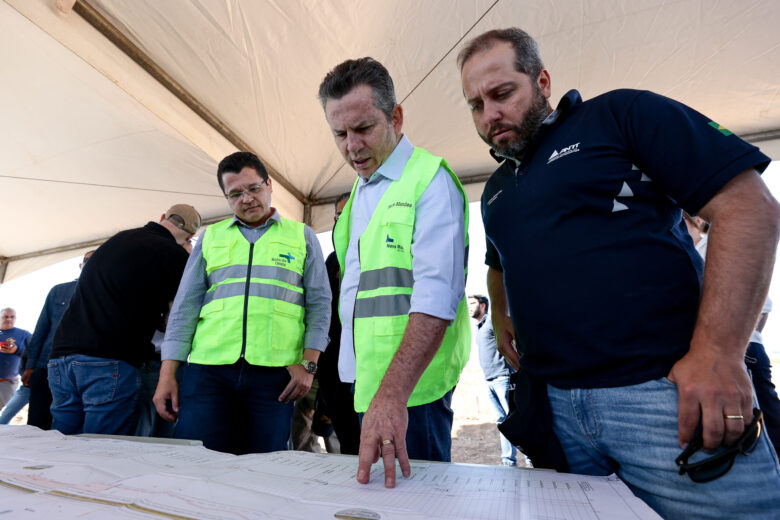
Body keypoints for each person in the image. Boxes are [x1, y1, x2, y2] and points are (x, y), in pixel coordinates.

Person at [458, 27, 780, 518]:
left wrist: (718, 353)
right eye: (476, 105)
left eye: (502, 94)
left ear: (542, 81)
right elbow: (497, 262)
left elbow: (748, 207)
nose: (490, 114)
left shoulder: (618, 114)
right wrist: (499, 313)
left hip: (661, 398)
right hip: (555, 411)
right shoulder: (498, 189)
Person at [318, 57, 471, 487]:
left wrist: (392, 395)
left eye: (364, 128)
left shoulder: (429, 181)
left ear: (396, 117)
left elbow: (436, 296)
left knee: (416, 504)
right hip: (366, 382)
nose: (351, 146)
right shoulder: (360, 192)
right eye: (340, 134)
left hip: (410, 392)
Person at [154, 152, 331, 455]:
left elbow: (320, 304)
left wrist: (309, 365)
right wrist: (167, 373)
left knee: (264, 468)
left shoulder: (301, 236)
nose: (246, 199)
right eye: (235, 193)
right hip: (207, 373)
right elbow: (185, 308)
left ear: (269, 184)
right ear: (226, 197)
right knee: (194, 461)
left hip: (275, 375)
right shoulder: (211, 237)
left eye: (253, 188)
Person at [48, 205, 199, 435]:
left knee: (61, 445)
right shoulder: (175, 256)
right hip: (108, 360)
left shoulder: (117, 240)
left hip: (61, 358)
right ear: (190, 236)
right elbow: (177, 317)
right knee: (99, 452)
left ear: (161, 217)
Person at [19, 250, 94, 430]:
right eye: (87, 260)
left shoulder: (110, 293)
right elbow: (41, 329)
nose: (90, 264)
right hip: (46, 366)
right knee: (37, 425)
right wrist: (30, 366)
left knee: (73, 428)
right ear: (80, 265)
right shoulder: (59, 290)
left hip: (86, 371)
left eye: (97, 260)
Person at [316, 192, 362, 455]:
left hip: (368, 365)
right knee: (347, 443)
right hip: (333, 367)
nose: (347, 221)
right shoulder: (332, 259)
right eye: (341, 216)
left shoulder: (382, 253)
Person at [468, 294, 517, 466]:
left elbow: (510, 340)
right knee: (502, 421)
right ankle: (508, 461)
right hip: (489, 380)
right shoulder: (479, 327)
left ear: (483, 306)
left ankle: (530, 459)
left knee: (514, 421)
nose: (469, 306)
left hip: (503, 378)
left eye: (473, 303)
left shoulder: (491, 322)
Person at [0, 308, 30, 410]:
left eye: (12, 317)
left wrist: (17, 350)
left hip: (7, 383)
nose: (9, 319)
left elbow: (35, 351)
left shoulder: (23, 334)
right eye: (5, 316)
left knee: (4, 413)